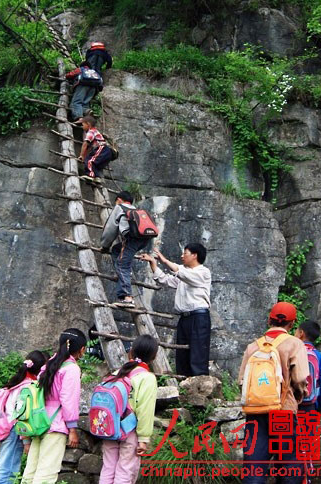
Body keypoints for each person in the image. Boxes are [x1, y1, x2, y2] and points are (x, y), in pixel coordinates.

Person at [238, 302, 310, 484]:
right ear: (292, 324)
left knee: (254, 466)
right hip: (283, 412)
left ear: (269, 320)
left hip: (256, 413)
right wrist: (299, 396)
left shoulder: (253, 347)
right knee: (288, 466)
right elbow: (301, 378)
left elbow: (242, 382)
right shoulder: (295, 344)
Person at [21, 329, 87, 484]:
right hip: (55, 425)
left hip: (39, 422)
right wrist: (72, 429)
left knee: (30, 473)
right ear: (82, 349)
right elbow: (68, 401)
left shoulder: (48, 365)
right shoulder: (71, 369)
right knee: (46, 475)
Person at [139, 244, 211, 376]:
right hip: (184, 317)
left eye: (185, 253)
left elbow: (182, 274)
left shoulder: (203, 272)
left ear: (195, 255)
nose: (182, 256)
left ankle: (200, 385)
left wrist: (165, 260)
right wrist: (153, 263)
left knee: (198, 353)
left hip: (199, 317)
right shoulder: (184, 273)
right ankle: (183, 382)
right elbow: (165, 280)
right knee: (182, 354)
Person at [99, 334, 158, 484]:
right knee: (125, 470)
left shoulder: (116, 373)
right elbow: (145, 410)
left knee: (108, 468)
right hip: (129, 430)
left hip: (109, 427)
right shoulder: (147, 378)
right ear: (154, 356)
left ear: (130, 352)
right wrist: (144, 438)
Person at [0, 350, 48, 484]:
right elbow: (22, 415)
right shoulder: (29, 386)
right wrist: (26, 441)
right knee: (7, 468)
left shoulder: (18, 382)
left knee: (9, 466)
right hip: (15, 429)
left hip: (9, 426)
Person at [100, 191, 149, 308]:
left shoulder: (119, 208)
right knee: (117, 250)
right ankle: (123, 275)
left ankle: (127, 297)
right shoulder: (137, 210)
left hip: (131, 239)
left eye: (116, 201)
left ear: (119, 199)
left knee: (122, 265)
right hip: (144, 240)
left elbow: (110, 230)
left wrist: (105, 245)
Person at [295, 320, 321, 413]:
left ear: (301, 333)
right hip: (310, 405)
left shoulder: (292, 352)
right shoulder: (319, 356)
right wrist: (320, 406)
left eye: (296, 330)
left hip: (292, 403)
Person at [78, 116, 113, 184]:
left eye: (83, 125)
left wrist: (81, 155)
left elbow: (85, 144)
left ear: (88, 124)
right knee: (96, 164)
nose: (82, 127)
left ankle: (90, 175)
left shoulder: (91, 132)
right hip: (107, 152)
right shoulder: (95, 131)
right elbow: (90, 148)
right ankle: (97, 177)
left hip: (102, 149)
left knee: (89, 161)